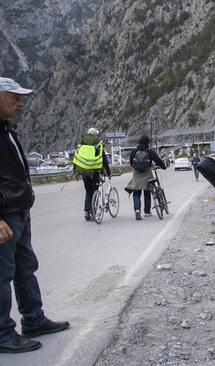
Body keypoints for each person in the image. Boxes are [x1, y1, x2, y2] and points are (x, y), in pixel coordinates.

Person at [0, 77, 70, 353]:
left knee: (25, 268)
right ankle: (3, 333)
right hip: (5, 216)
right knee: (2, 275)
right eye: (14, 97)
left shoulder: (7, 129)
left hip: (18, 212)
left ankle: (33, 319)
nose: (21, 102)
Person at [73, 127, 111, 221]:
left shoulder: (81, 145)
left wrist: (75, 172)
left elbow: (76, 159)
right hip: (95, 172)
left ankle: (87, 211)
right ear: (95, 135)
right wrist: (108, 172)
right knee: (95, 191)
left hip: (84, 172)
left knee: (88, 192)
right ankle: (93, 211)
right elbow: (104, 160)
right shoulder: (98, 145)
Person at [124, 135, 166, 220]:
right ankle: (147, 211)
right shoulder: (150, 152)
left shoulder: (134, 152)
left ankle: (137, 210)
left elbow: (131, 163)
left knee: (136, 192)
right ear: (148, 143)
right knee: (147, 192)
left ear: (139, 142)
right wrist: (163, 167)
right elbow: (158, 160)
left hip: (136, 174)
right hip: (147, 173)